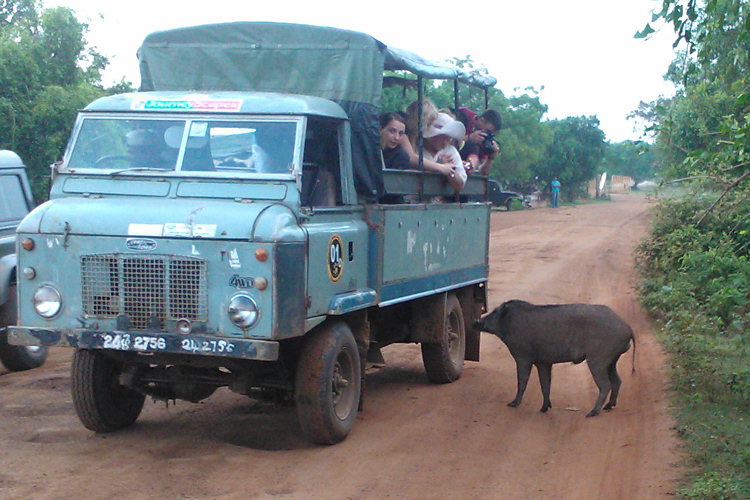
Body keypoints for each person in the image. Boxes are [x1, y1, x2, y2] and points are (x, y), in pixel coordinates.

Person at [422, 112, 467, 191]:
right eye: (443, 138)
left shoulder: (450, 150)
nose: (446, 142)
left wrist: (450, 171)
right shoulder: (416, 147)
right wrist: (439, 166)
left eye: (449, 139)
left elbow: (460, 185)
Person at [458, 108, 502, 175]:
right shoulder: (463, 115)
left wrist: (491, 158)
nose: (487, 134)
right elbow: (446, 140)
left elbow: (482, 171)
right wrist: (469, 138)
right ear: (481, 120)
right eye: (487, 131)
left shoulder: (484, 139)